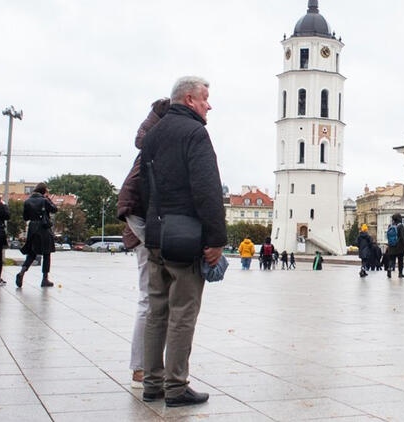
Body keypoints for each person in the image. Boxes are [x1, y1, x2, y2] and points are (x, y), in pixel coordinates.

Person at [140, 76, 226, 407]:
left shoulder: (153, 134)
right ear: (189, 99)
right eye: (205, 98)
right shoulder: (195, 133)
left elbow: (144, 186)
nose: (209, 105)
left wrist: (152, 224)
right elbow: (207, 189)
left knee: (156, 310)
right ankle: (176, 385)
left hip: (157, 235)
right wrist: (216, 238)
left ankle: (152, 382)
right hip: (185, 237)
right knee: (183, 311)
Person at [118, 97, 171, 389]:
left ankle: (147, 366)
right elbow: (126, 200)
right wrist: (149, 240)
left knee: (153, 301)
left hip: (148, 233)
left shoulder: (152, 149)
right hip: (145, 236)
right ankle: (140, 368)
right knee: (148, 300)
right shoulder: (150, 154)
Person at [16, 182, 58, 288]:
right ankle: (45, 279)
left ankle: (22, 272)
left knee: (32, 253)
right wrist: (48, 198)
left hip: (32, 228)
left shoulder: (27, 201)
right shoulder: (44, 200)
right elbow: (54, 209)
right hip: (44, 228)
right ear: (44, 191)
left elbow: (25, 217)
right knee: (46, 253)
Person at [386, 213, 404, 278]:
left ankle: (389, 268)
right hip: (399, 247)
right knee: (400, 260)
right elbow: (403, 236)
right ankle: (400, 273)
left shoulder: (390, 226)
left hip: (391, 246)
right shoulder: (400, 226)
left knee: (392, 260)